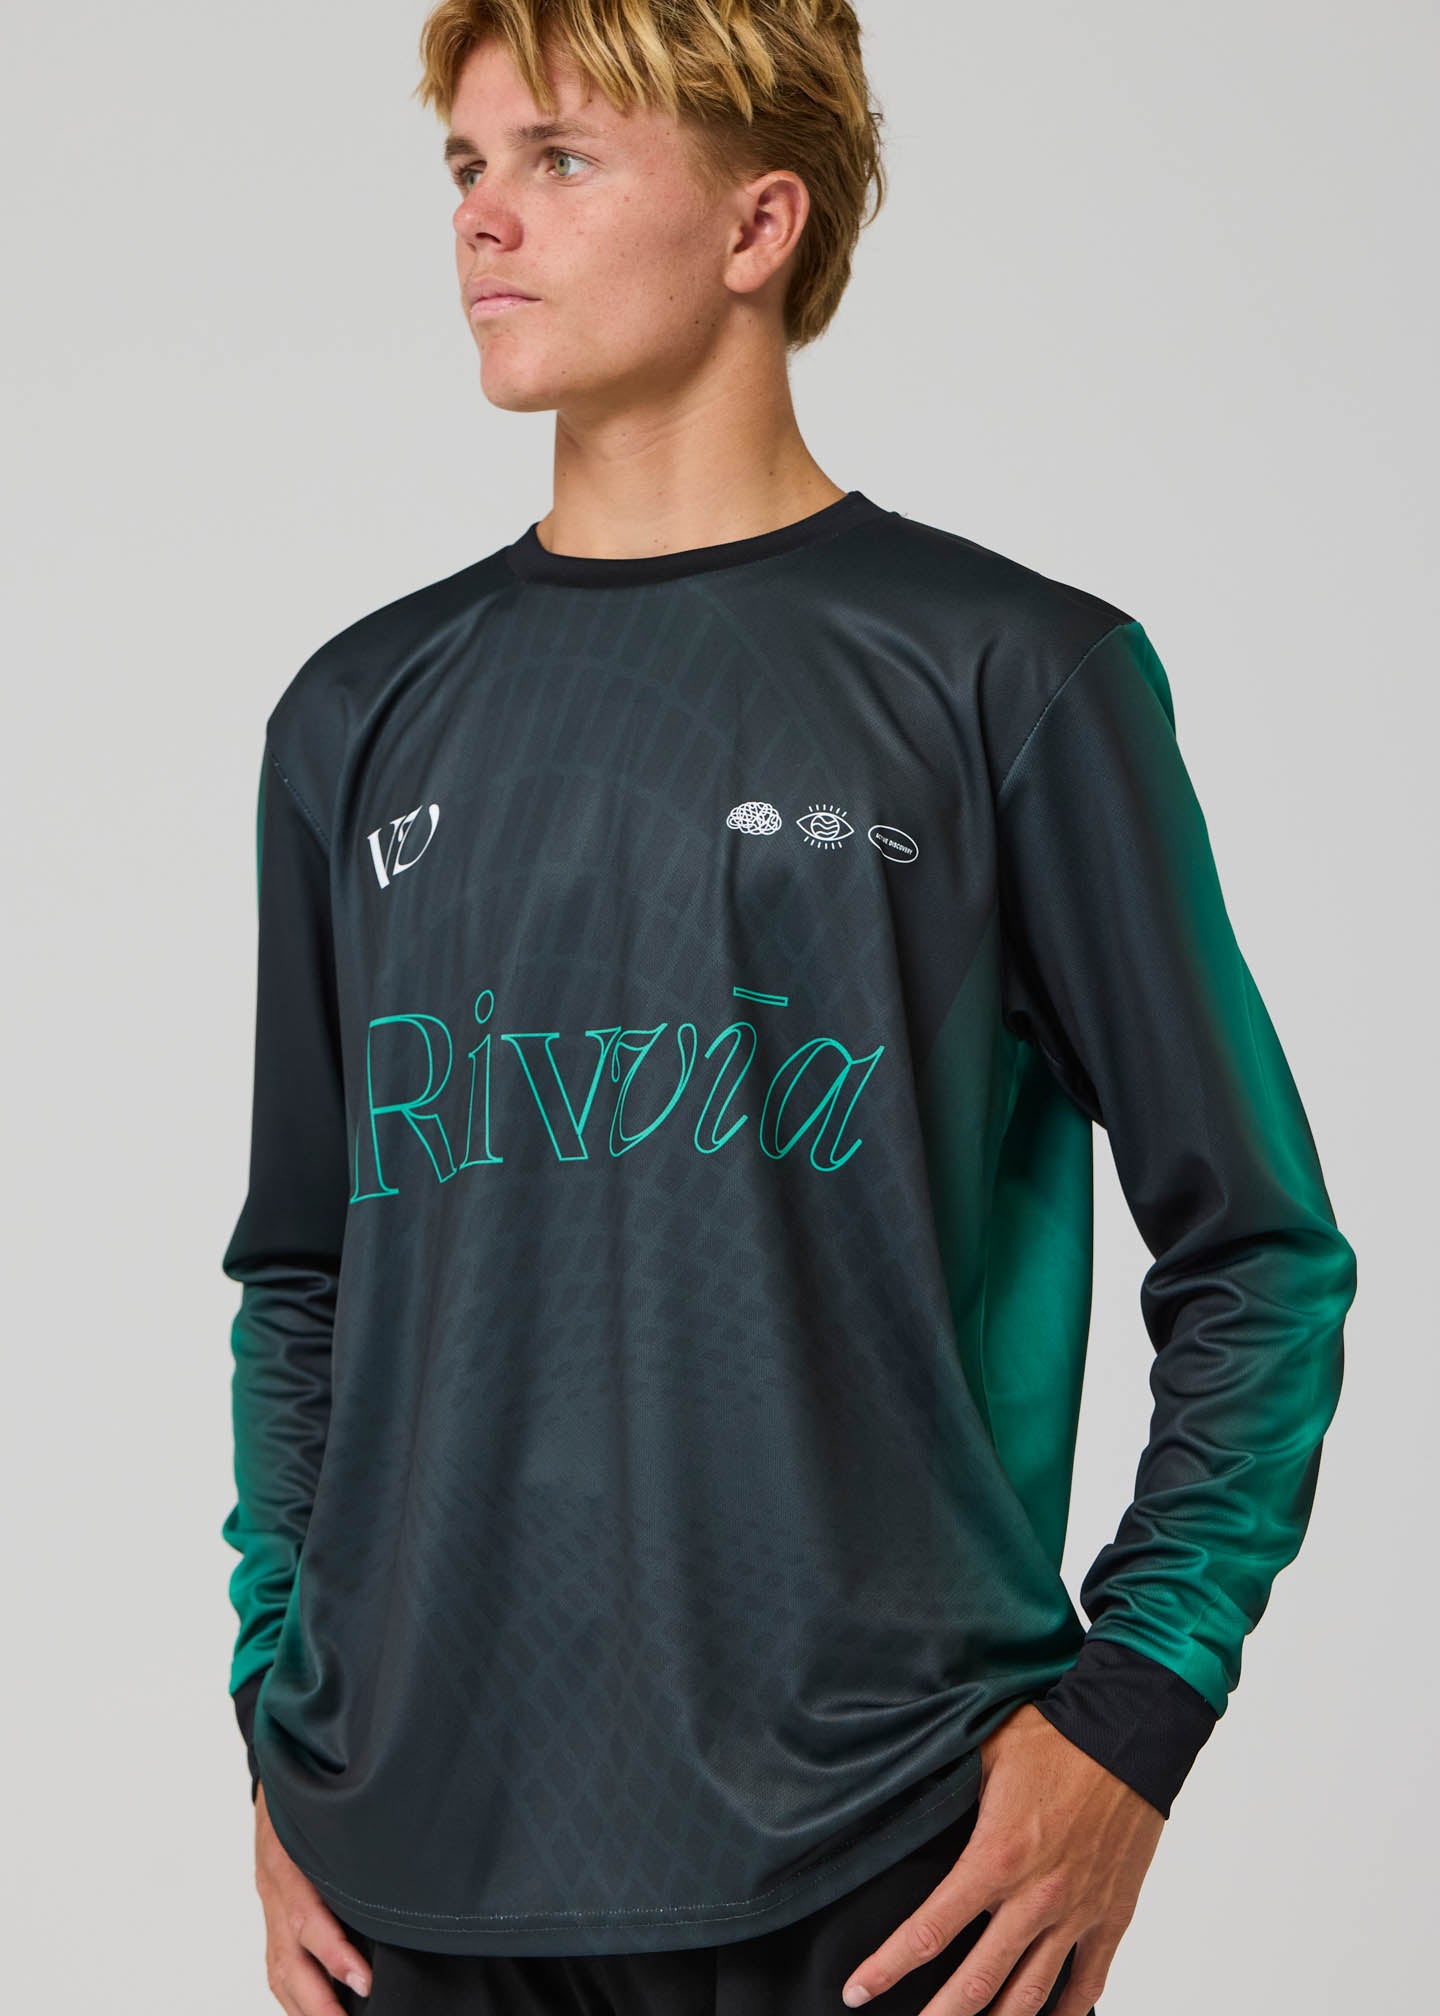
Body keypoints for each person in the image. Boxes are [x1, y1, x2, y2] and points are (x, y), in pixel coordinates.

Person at [220, 4, 1358, 2012]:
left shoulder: (1009, 677)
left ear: (759, 225)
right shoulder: (354, 715)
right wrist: (276, 1720)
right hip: (414, 1881)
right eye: (467, 165)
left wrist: (1134, 1719)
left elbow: (1259, 1252)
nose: (483, 218)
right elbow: (304, 1274)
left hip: (890, 1870)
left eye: (560, 158)